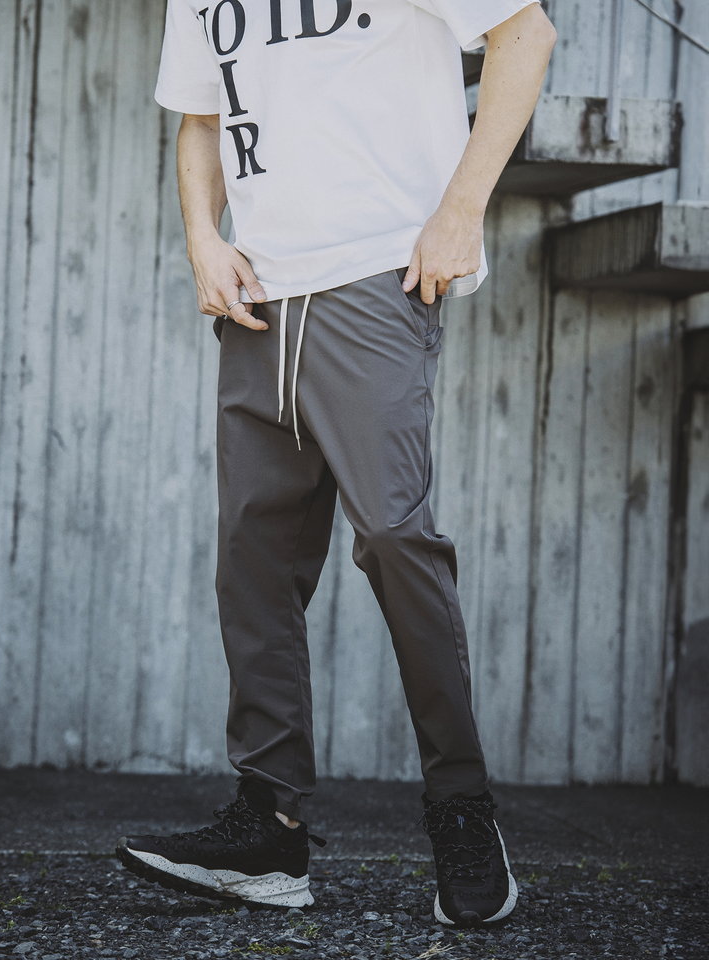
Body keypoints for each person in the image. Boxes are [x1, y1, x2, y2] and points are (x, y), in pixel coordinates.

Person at [117, 0, 556, 928]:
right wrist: (203, 237)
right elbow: (200, 118)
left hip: (374, 273)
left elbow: (527, 34)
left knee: (395, 537)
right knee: (254, 557)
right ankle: (269, 829)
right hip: (257, 292)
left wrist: (461, 210)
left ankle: (463, 811)